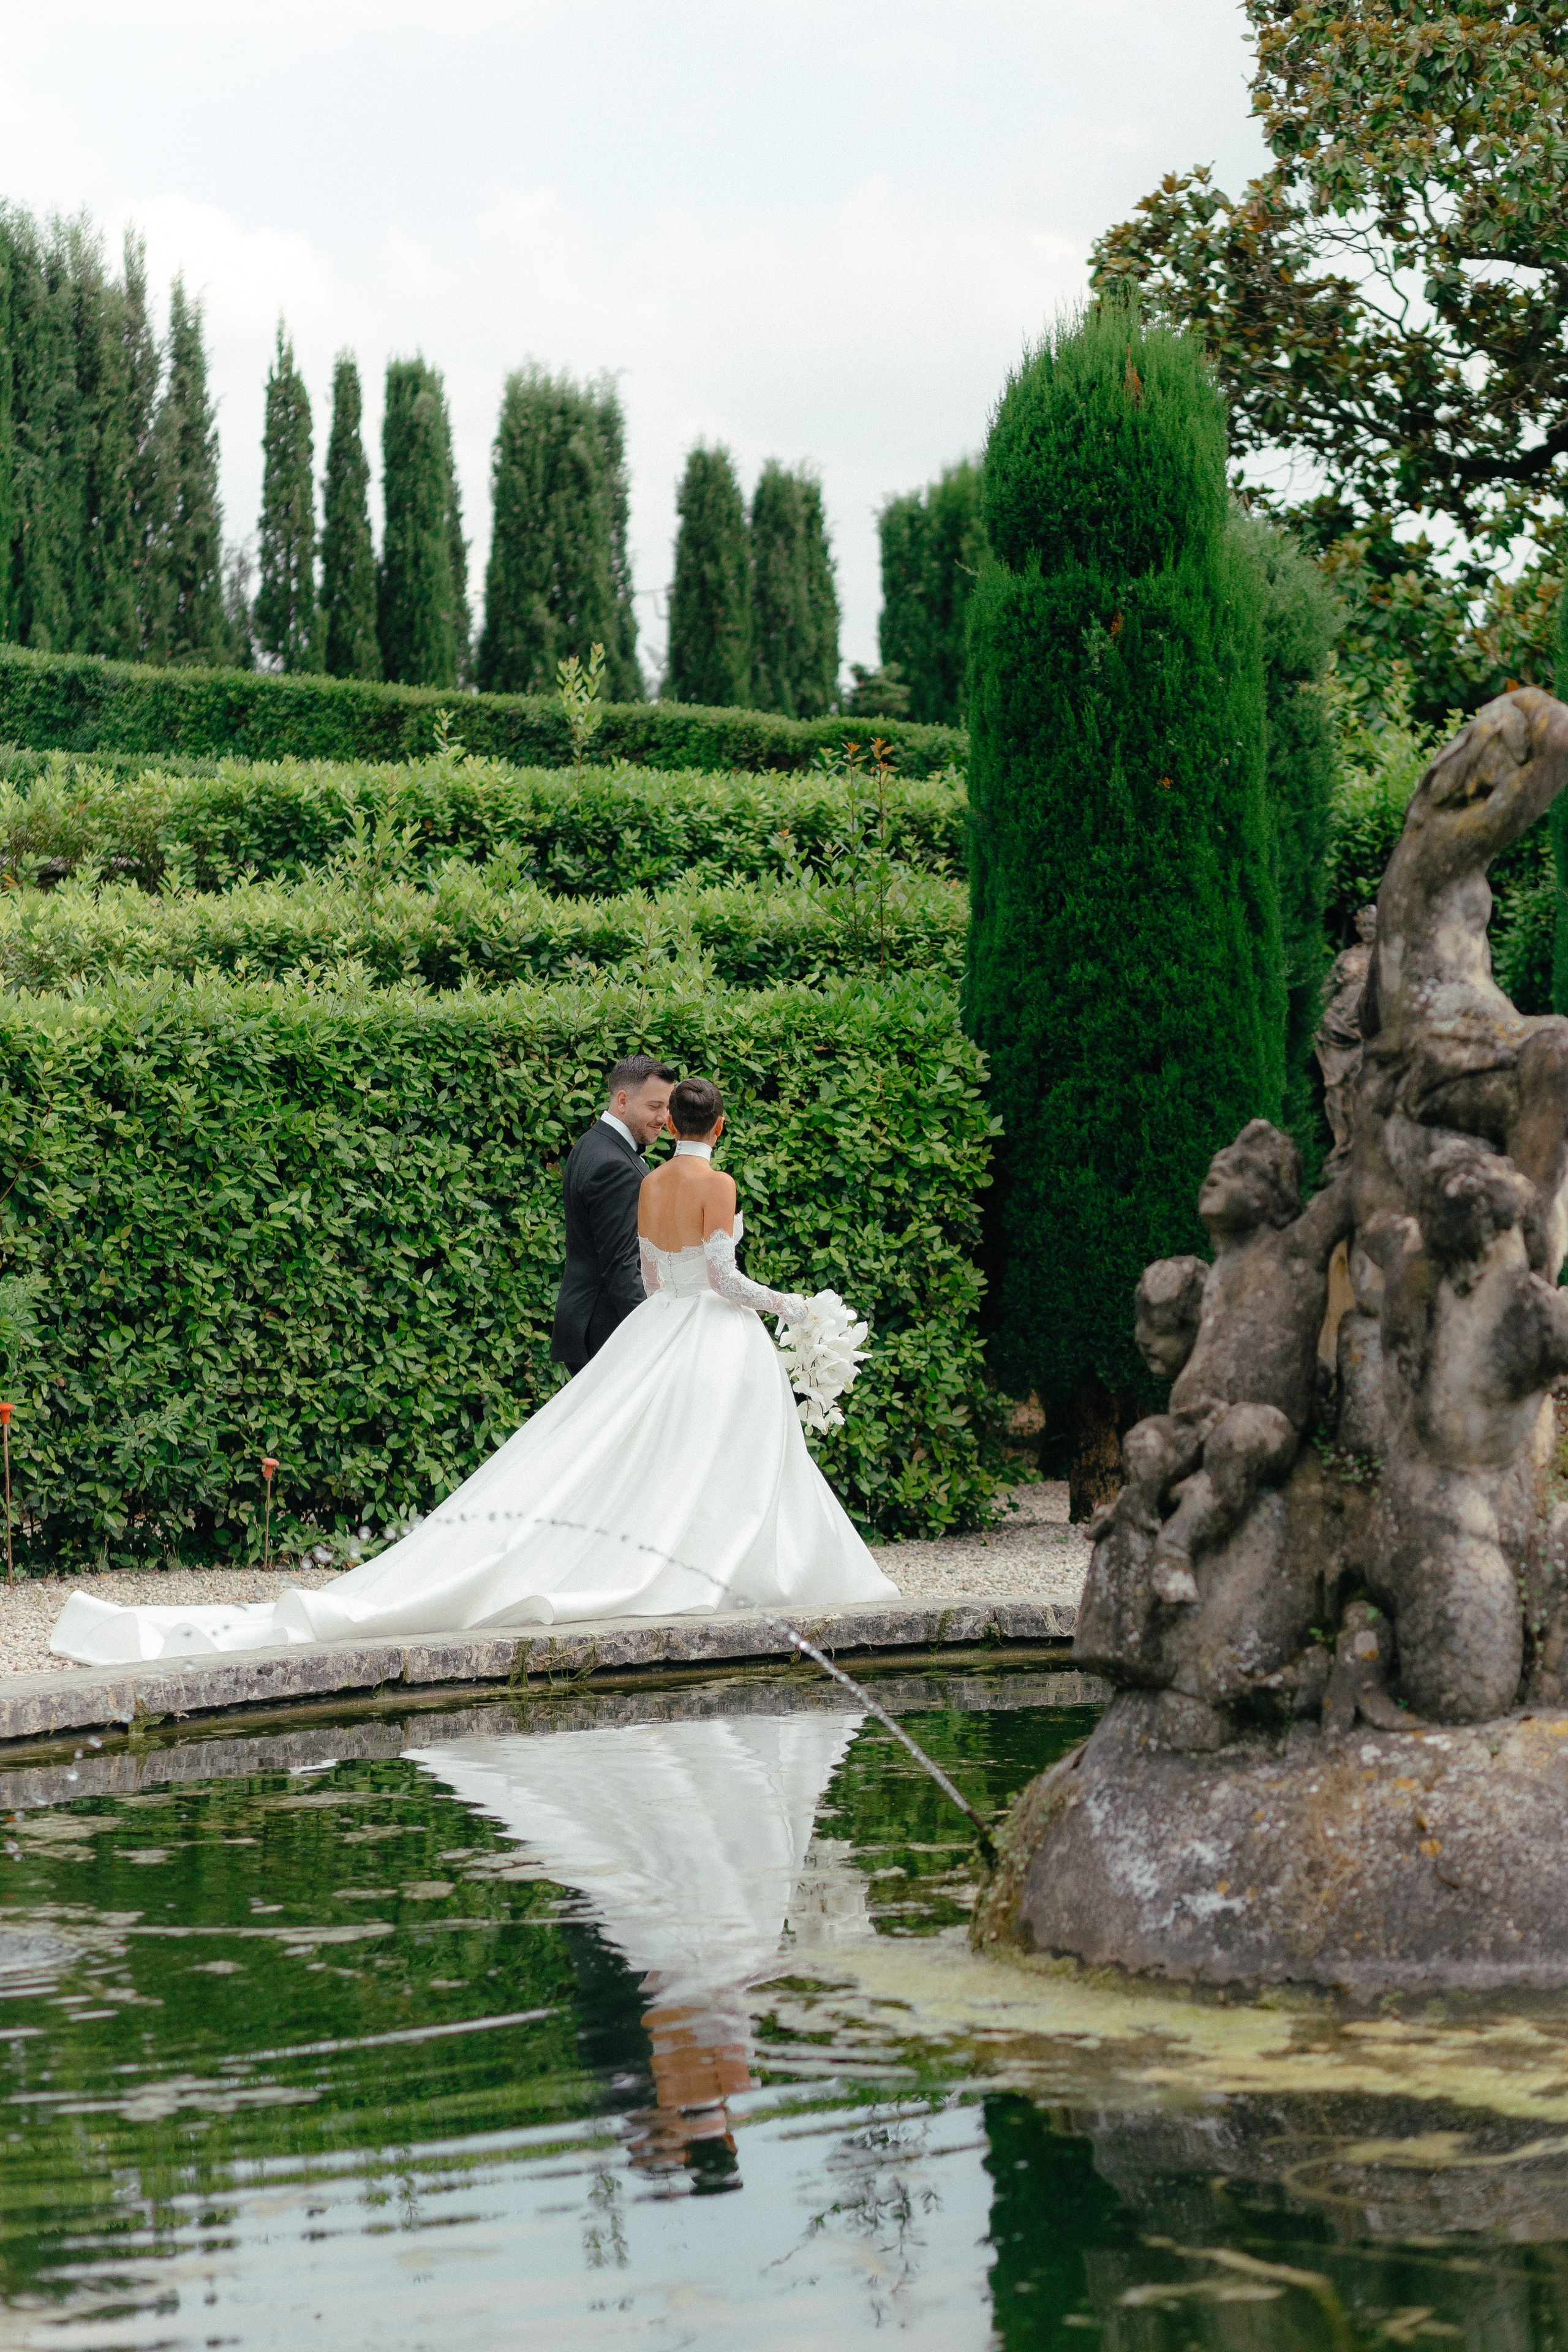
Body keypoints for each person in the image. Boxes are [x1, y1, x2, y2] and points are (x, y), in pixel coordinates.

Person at [50, 1074, 896, 1666]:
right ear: (718, 1125)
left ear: (670, 1120)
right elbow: (725, 1279)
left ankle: (684, 1562)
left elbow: (645, 1268)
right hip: (714, 1332)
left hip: (659, 1327)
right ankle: (724, 1566)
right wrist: (791, 1306)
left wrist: (693, 1299)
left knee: (634, 1450)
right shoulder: (721, 1183)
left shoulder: (644, 1182)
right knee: (727, 1456)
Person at [552, 1055, 676, 1373]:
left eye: (666, 1106)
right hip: (605, 1331)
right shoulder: (615, 1166)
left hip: (588, 1322)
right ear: (623, 1100)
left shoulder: (591, 1143)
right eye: (654, 1107)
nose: (664, 1117)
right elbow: (622, 1266)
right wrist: (656, 1334)